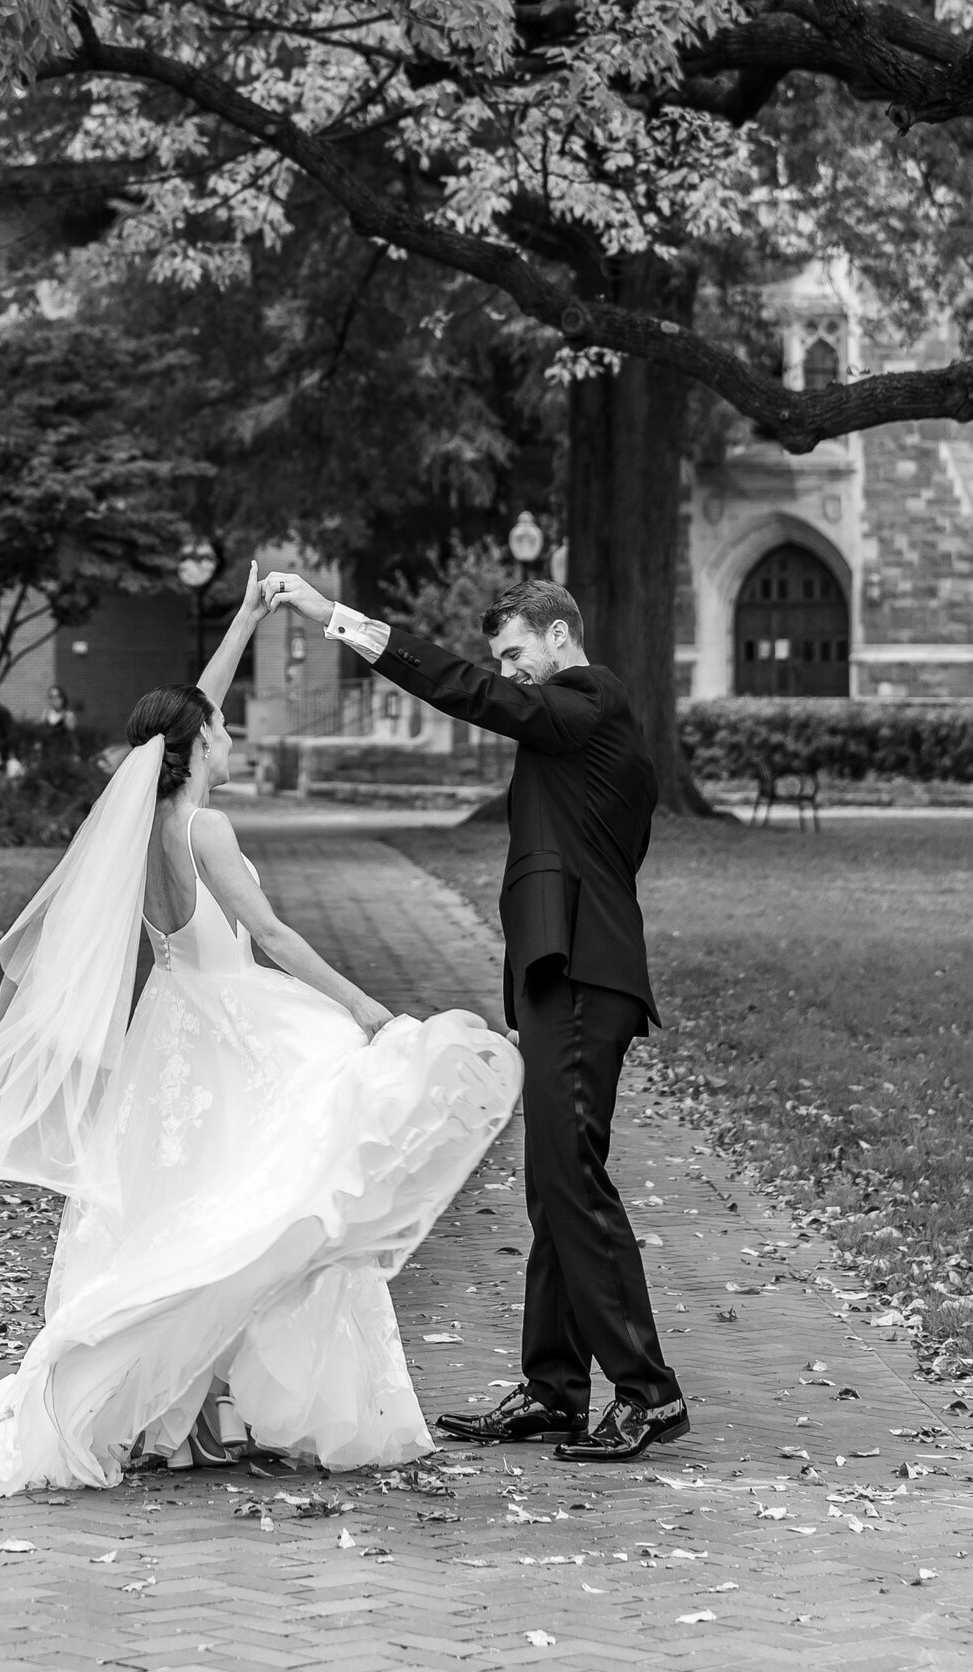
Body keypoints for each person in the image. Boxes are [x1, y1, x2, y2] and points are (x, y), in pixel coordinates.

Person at [0, 561, 522, 1495]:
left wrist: (242, 620)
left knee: (187, 1220)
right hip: (231, 1030)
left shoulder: (144, 824)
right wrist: (364, 1007)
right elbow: (272, 936)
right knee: (260, 1210)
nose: (230, 735)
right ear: (200, 749)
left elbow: (187, 711)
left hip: (170, 1034)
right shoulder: (207, 831)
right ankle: (208, 1411)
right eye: (224, 731)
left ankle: (190, 1418)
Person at [261, 569, 684, 1464]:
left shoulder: (590, 699)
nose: (509, 671)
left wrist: (342, 620)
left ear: (561, 637)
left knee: (573, 1182)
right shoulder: (577, 730)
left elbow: (471, 694)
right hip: (559, 970)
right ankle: (554, 1390)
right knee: (552, 1186)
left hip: (583, 973)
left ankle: (647, 1393)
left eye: (517, 653)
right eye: (502, 657)